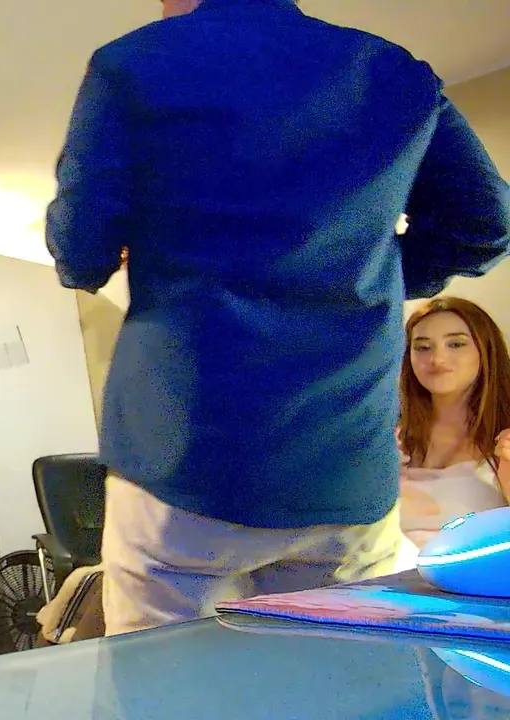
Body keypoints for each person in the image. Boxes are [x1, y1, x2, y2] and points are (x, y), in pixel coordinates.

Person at [46, 0, 510, 635]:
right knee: (334, 678)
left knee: (162, 678)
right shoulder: (395, 73)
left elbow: (79, 252)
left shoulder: (133, 66)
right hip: (344, 468)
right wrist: (374, 274)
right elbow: (487, 223)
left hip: (184, 463)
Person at [397, 298, 510, 566]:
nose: (437, 359)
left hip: (472, 585)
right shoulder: (388, 438)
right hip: (384, 582)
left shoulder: (504, 441)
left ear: (485, 349)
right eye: (422, 347)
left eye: (456, 344)